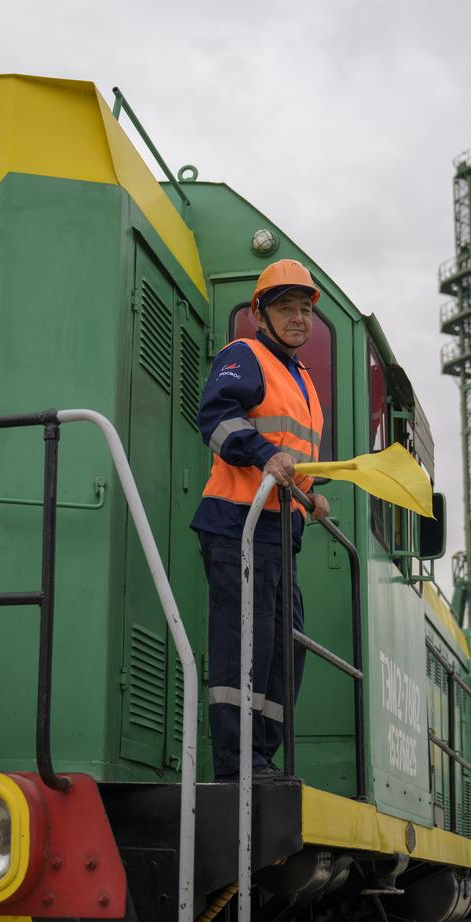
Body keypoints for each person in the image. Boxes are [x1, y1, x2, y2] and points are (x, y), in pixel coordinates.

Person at [191, 258, 329, 783]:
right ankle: (236, 760)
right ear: (259, 314)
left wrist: (312, 495)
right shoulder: (243, 356)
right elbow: (217, 422)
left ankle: (261, 757)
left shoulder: (304, 382)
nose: (298, 319)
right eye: (285, 308)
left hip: (279, 528)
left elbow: (296, 456)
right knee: (245, 641)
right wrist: (264, 454)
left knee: (283, 648)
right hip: (236, 523)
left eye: (304, 310)